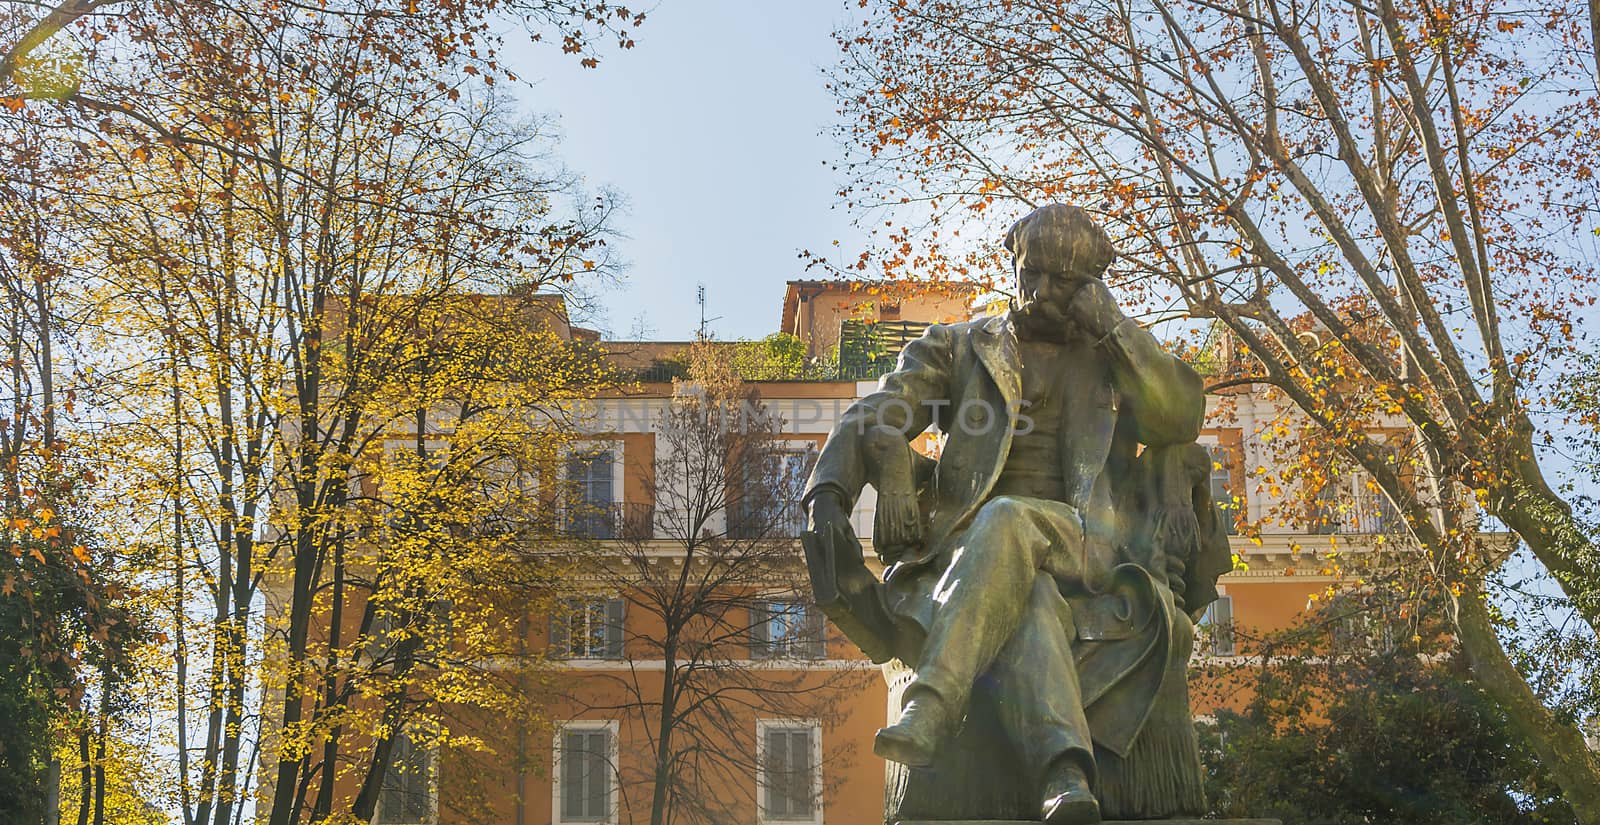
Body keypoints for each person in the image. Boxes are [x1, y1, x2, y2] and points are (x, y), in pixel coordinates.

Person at [802, 204, 1208, 825]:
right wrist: (836, 490)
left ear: (1092, 286)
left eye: (1065, 282)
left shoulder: (1113, 357)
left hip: (1091, 548)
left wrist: (1117, 328)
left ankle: (933, 703)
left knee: (1008, 519)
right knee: (1029, 597)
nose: (1043, 292)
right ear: (1013, 268)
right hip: (975, 566)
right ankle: (1066, 778)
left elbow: (1180, 414)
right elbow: (881, 410)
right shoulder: (961, 345)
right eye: (1032, 273)